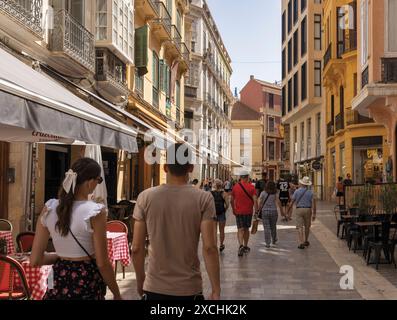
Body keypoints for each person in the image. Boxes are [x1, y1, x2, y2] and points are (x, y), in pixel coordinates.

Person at [132, 143, 220, 300]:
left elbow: (137, 248)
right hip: (189, 289)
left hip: (154, 287)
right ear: (191, 168)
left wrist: (140, 282)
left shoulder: (145, 197)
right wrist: (216, 289)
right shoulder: (204, 198)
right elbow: (210, 247)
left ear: (165, 167)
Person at [30, 158, 122, 300]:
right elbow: (103, 263)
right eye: (99, 180)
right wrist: (116, 293)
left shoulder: (49, 207)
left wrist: (60, 256)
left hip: (57, 277)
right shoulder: (95, 211)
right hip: (85, 279)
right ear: (90, 182)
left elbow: (35, 260)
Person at [231, 170, 258, 257]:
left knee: (240, 229)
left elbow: (231, 200)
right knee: (246, 229)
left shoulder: (235, 187)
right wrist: (256, 211)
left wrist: (233, 209)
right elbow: (255, 200)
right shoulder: (251, 187)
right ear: (247, 177)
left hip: (238, 211)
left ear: (240, 178)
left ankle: (240, 245)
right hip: (248, 211)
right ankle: (245, 246)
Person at [288, 176, 316, 250]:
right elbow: (313, 203)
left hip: (299, 209)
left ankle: (301, 242)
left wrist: (288, 210)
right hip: (308, 210)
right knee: (307, 226)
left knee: (300, 227)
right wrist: (314, 214)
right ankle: (306, 240)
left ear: (301, 183)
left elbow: (292, 202)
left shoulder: (297, 191)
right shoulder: (311, 192)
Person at [258, 181, 282, 248]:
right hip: (274, 211)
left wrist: (258, 210)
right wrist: (282, 211)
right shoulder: (275, 193)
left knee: (266, 228)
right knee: (273, 226)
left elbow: (260, 202)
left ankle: (267, 243)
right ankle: (274, 239)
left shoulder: (263, 193)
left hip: (265, 212)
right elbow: (278, 202)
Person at [211, 179, 229, 252]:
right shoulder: (224, 193)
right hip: (221, 213)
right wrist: (225, 210)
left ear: (214, 185)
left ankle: (215, 245)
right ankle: (221, 244)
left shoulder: (210, 193)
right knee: (222, 230)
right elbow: (227, 204)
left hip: (213, 214)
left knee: (214, 231)